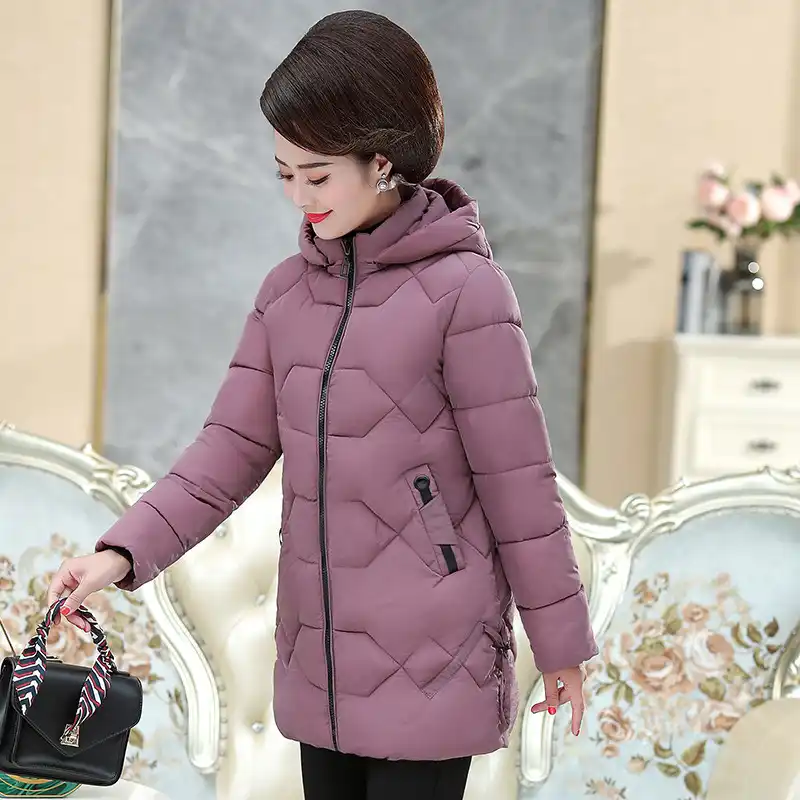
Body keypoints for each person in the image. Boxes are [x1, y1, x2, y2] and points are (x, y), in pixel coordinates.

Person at [47, 10, 597, 800]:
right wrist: (120, 554)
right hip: (320, 663)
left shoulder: (468, 294)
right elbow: (224, 453)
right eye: (284, 174)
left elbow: (521, 485)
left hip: (435, 655)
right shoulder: (286, 297)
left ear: (382, 162)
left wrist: (561, 640)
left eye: (317, 175)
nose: (299, 197)